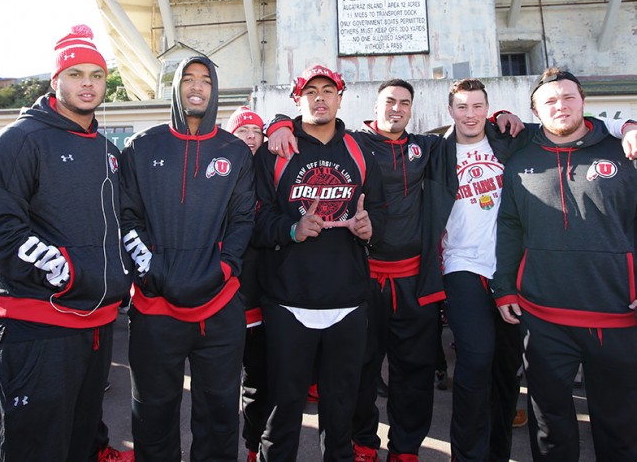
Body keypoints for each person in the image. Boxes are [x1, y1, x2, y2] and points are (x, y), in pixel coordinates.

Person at [266, 79, 523, 462]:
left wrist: (503, 115)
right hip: (362, 277)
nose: (396, 109)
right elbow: (314, 123)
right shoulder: (352, 142)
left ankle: (405, 449)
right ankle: (364, 442)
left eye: (404, 102)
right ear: (375, 105)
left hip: (414, 277)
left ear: (412, 108)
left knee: (414, 372)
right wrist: (279, 123)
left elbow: (472, 131)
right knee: (360, 371)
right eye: (389, 101)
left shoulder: (430, 147)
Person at [424, 77, 636, 462]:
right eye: (461, 107)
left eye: (477, 106)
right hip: (463, 265)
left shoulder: (512, 140)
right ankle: (467, 454)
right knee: (474, 359)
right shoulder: (436, 150)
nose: (470, 114)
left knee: (508, 371)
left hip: (511, 269)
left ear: (489, 109)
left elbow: (572, 123)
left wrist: (630, 126)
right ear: (449, 111)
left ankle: (498, 450)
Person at [0, 25, 132, 461]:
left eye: (96, 74)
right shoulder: (19, 140)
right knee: (34, 447)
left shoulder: (108, 149)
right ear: (56, 81)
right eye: (75, 73)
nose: (87, 83)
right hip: (36, 325)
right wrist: (67, 272)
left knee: (79, 441)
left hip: (95, 323)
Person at [491, 68, 637, 461]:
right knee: (550, 428)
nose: (561, 106)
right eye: (550, 101)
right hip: (543, 315)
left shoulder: (624, 151)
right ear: (536, 110)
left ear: (583, 101)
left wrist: (628, 126)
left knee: (619, 426)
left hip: (615, 314)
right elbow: (509, 227)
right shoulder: (520, 161)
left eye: (568, 97)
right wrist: (503, 284)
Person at [120, 56, 256, 462]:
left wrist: (223, 269)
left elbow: (243, 219)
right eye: (188, 80)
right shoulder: (142, 146)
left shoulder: (235, 151)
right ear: (176, 87)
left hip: (218, 306)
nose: (197, 87)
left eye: (206, 81)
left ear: (215, 90)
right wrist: (153, 271)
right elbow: (127, 219)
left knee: (218, 416)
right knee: (153, 415)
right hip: (154, 304)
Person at [253, 64, 387, 462]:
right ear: (298, 99)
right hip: (287, 301)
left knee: (340, 417)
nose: (320, 97)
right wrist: (292, 228)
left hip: (347, 300)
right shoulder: (277, 149)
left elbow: (380, 211)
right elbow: (254, 219)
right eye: (310, 91)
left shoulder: (361, 150)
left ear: (340, 98)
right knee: (281, 416)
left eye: (328, 90)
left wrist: (368, 228)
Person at [226, 105, 269, 462]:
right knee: (222, 385)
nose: (251, 137)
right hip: (226, 298)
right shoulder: (219, 175)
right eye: (244, 131)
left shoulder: (271, 172)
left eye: (256, 130)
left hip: (264, 299)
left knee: (259, 383)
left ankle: (253, 448)